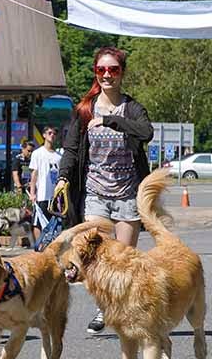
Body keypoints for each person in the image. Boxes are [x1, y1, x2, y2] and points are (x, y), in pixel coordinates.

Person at [57, 46, 153, 334]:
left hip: (127, 195)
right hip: (95, 193)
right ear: (95, 73)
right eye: (102, 70)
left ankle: (117, 308)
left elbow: (145, 132)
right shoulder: (84, 109)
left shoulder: (132, 108)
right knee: (96, 257)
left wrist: (112, 120)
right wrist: (63, 178)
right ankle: (104, 307)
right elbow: (71, 149)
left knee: (122, 259)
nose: (107, 75)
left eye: (113, 70)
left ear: (122, 73)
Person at [28, 127, 62, 242]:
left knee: (55, 223)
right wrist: (32, 193)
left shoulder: (59, 156)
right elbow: (34, 174)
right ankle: (39, 248)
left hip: (55, 197)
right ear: (44, 135)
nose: (52, 135)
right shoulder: (37, 153)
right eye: (49, 133)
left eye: (54, 133)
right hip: (42, 194)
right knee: (38, 222)